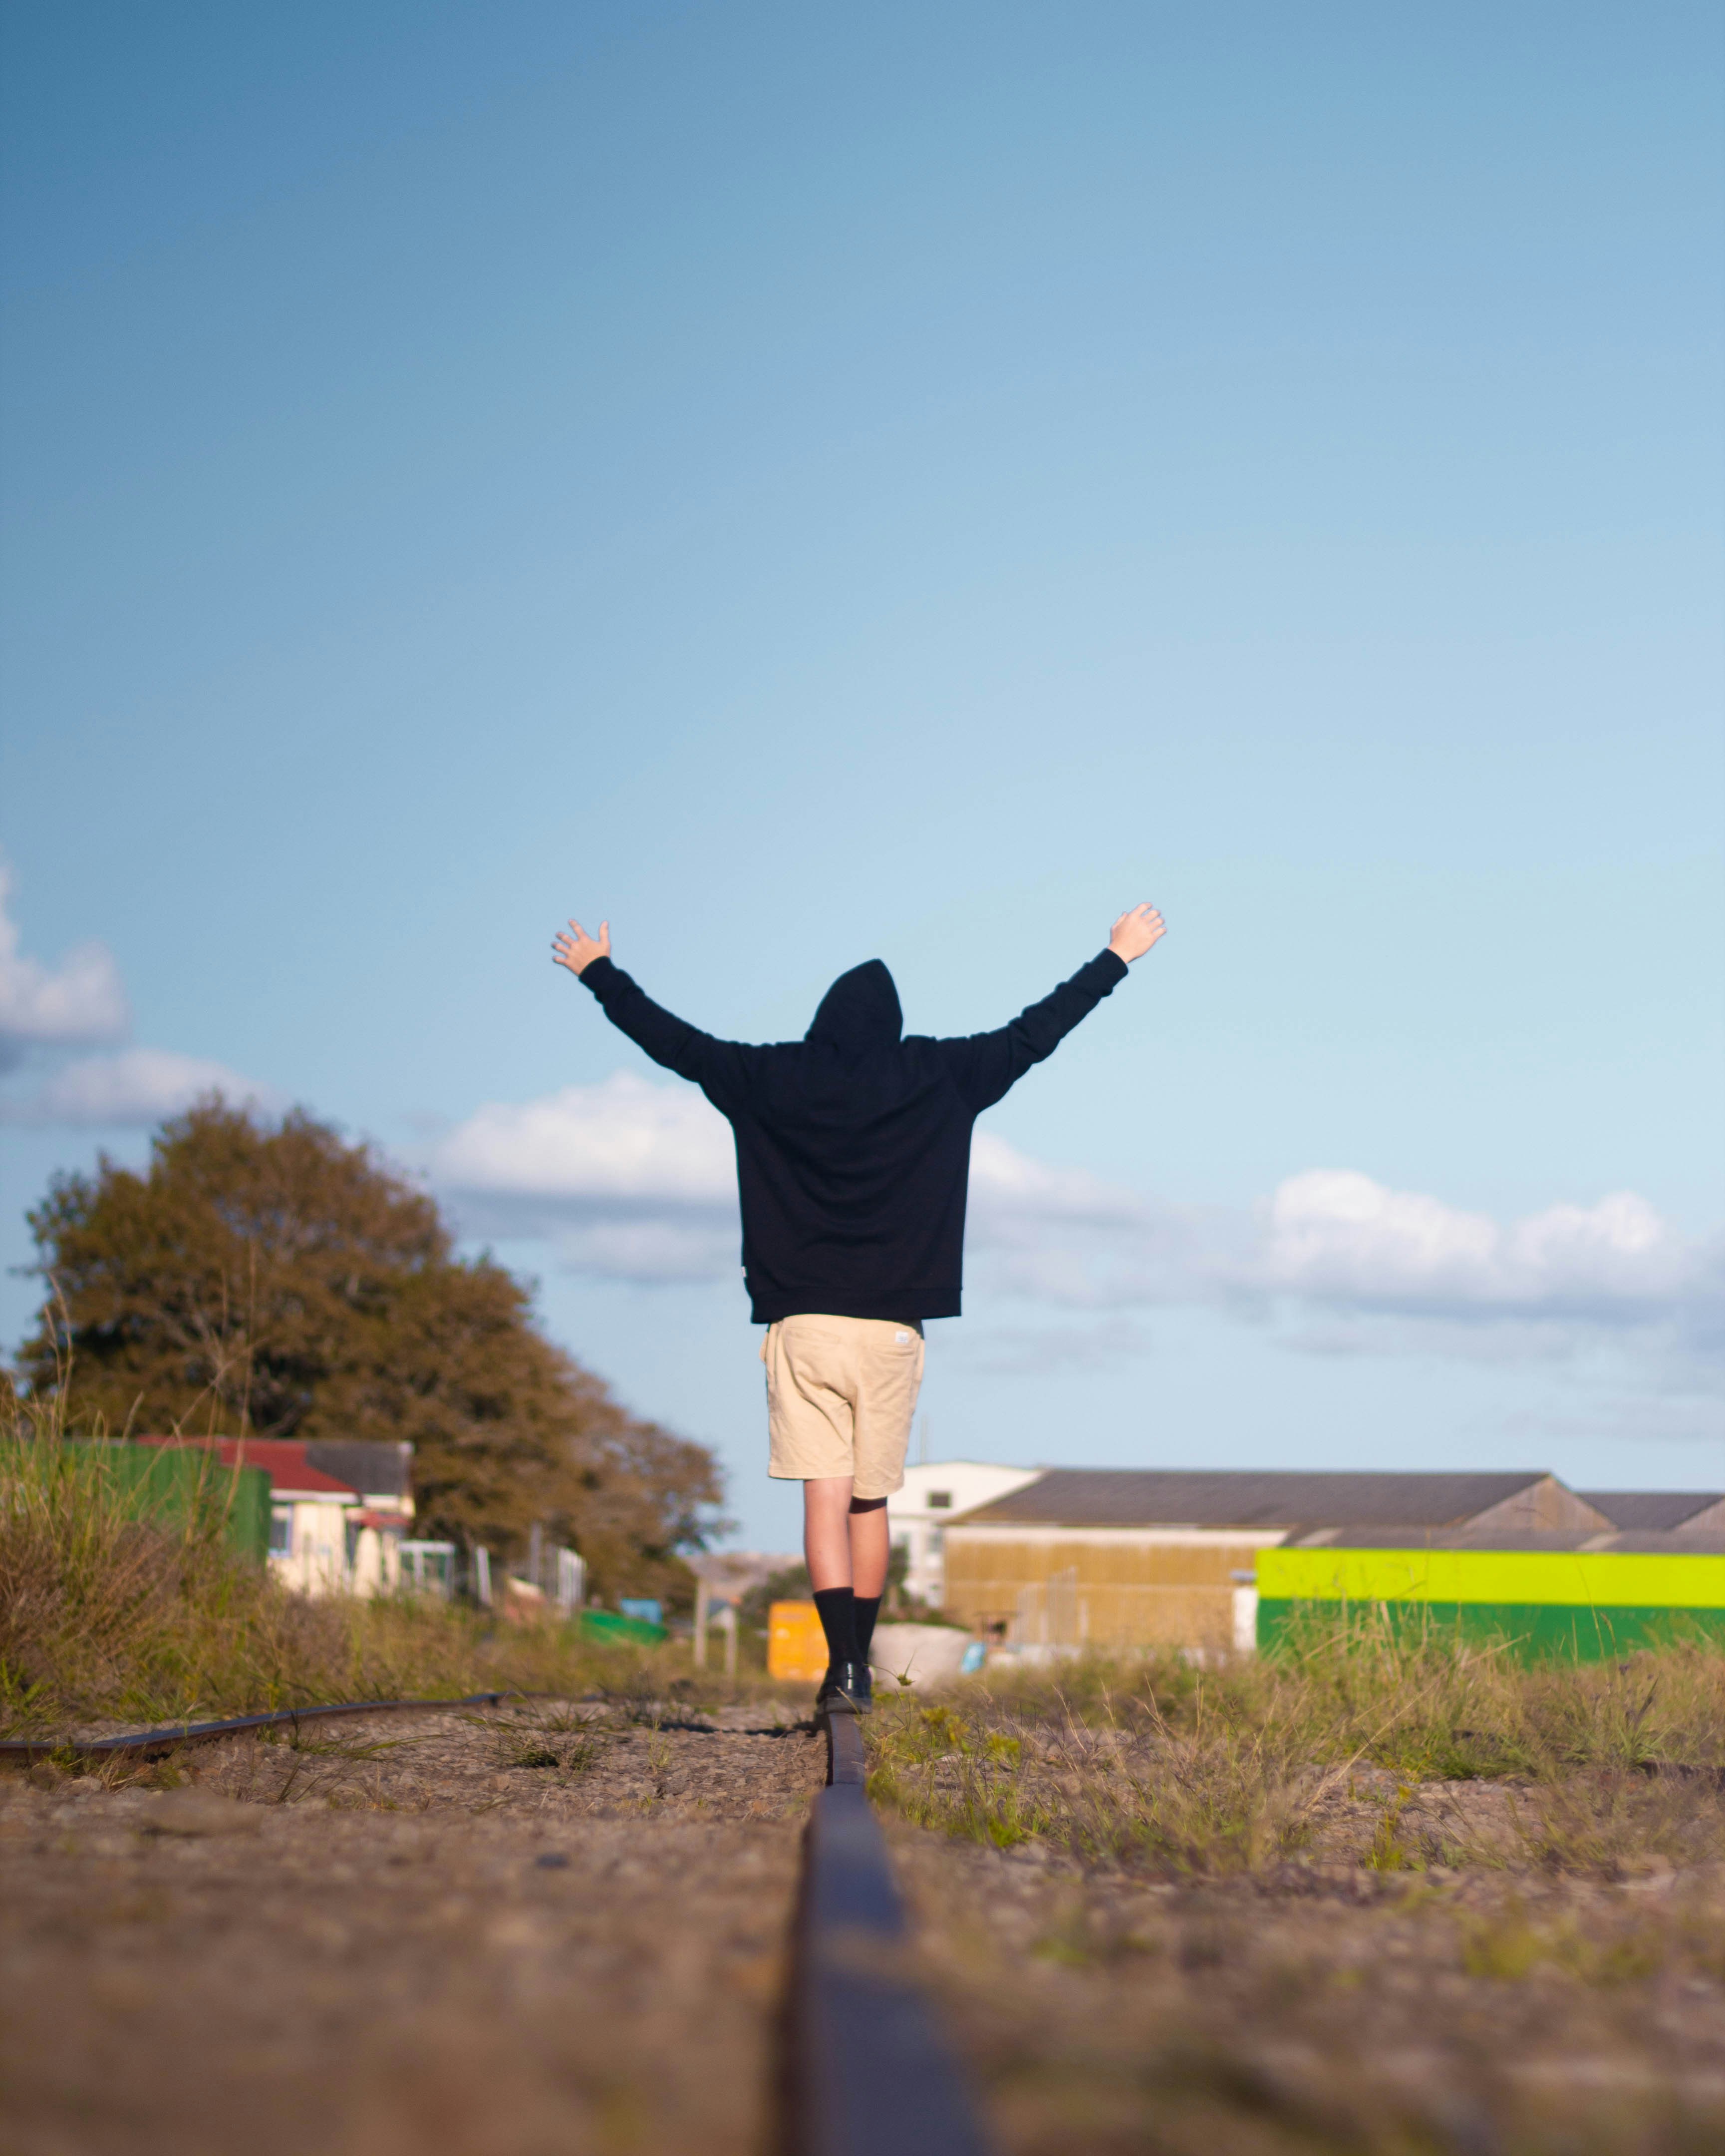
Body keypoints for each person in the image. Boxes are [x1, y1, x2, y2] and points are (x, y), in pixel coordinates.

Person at [552, 903, 1166, 1715]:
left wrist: (600, 973)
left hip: (802, 1326)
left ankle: (839, 1665)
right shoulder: (942, 1074)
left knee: (820, 1500)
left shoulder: (768, 1077)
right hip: (890, 1331)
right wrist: (1115, 957)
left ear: (820, 1024)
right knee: (870, 1502)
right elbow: (1035, 1032)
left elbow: (674, 1043)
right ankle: (863, 1672)